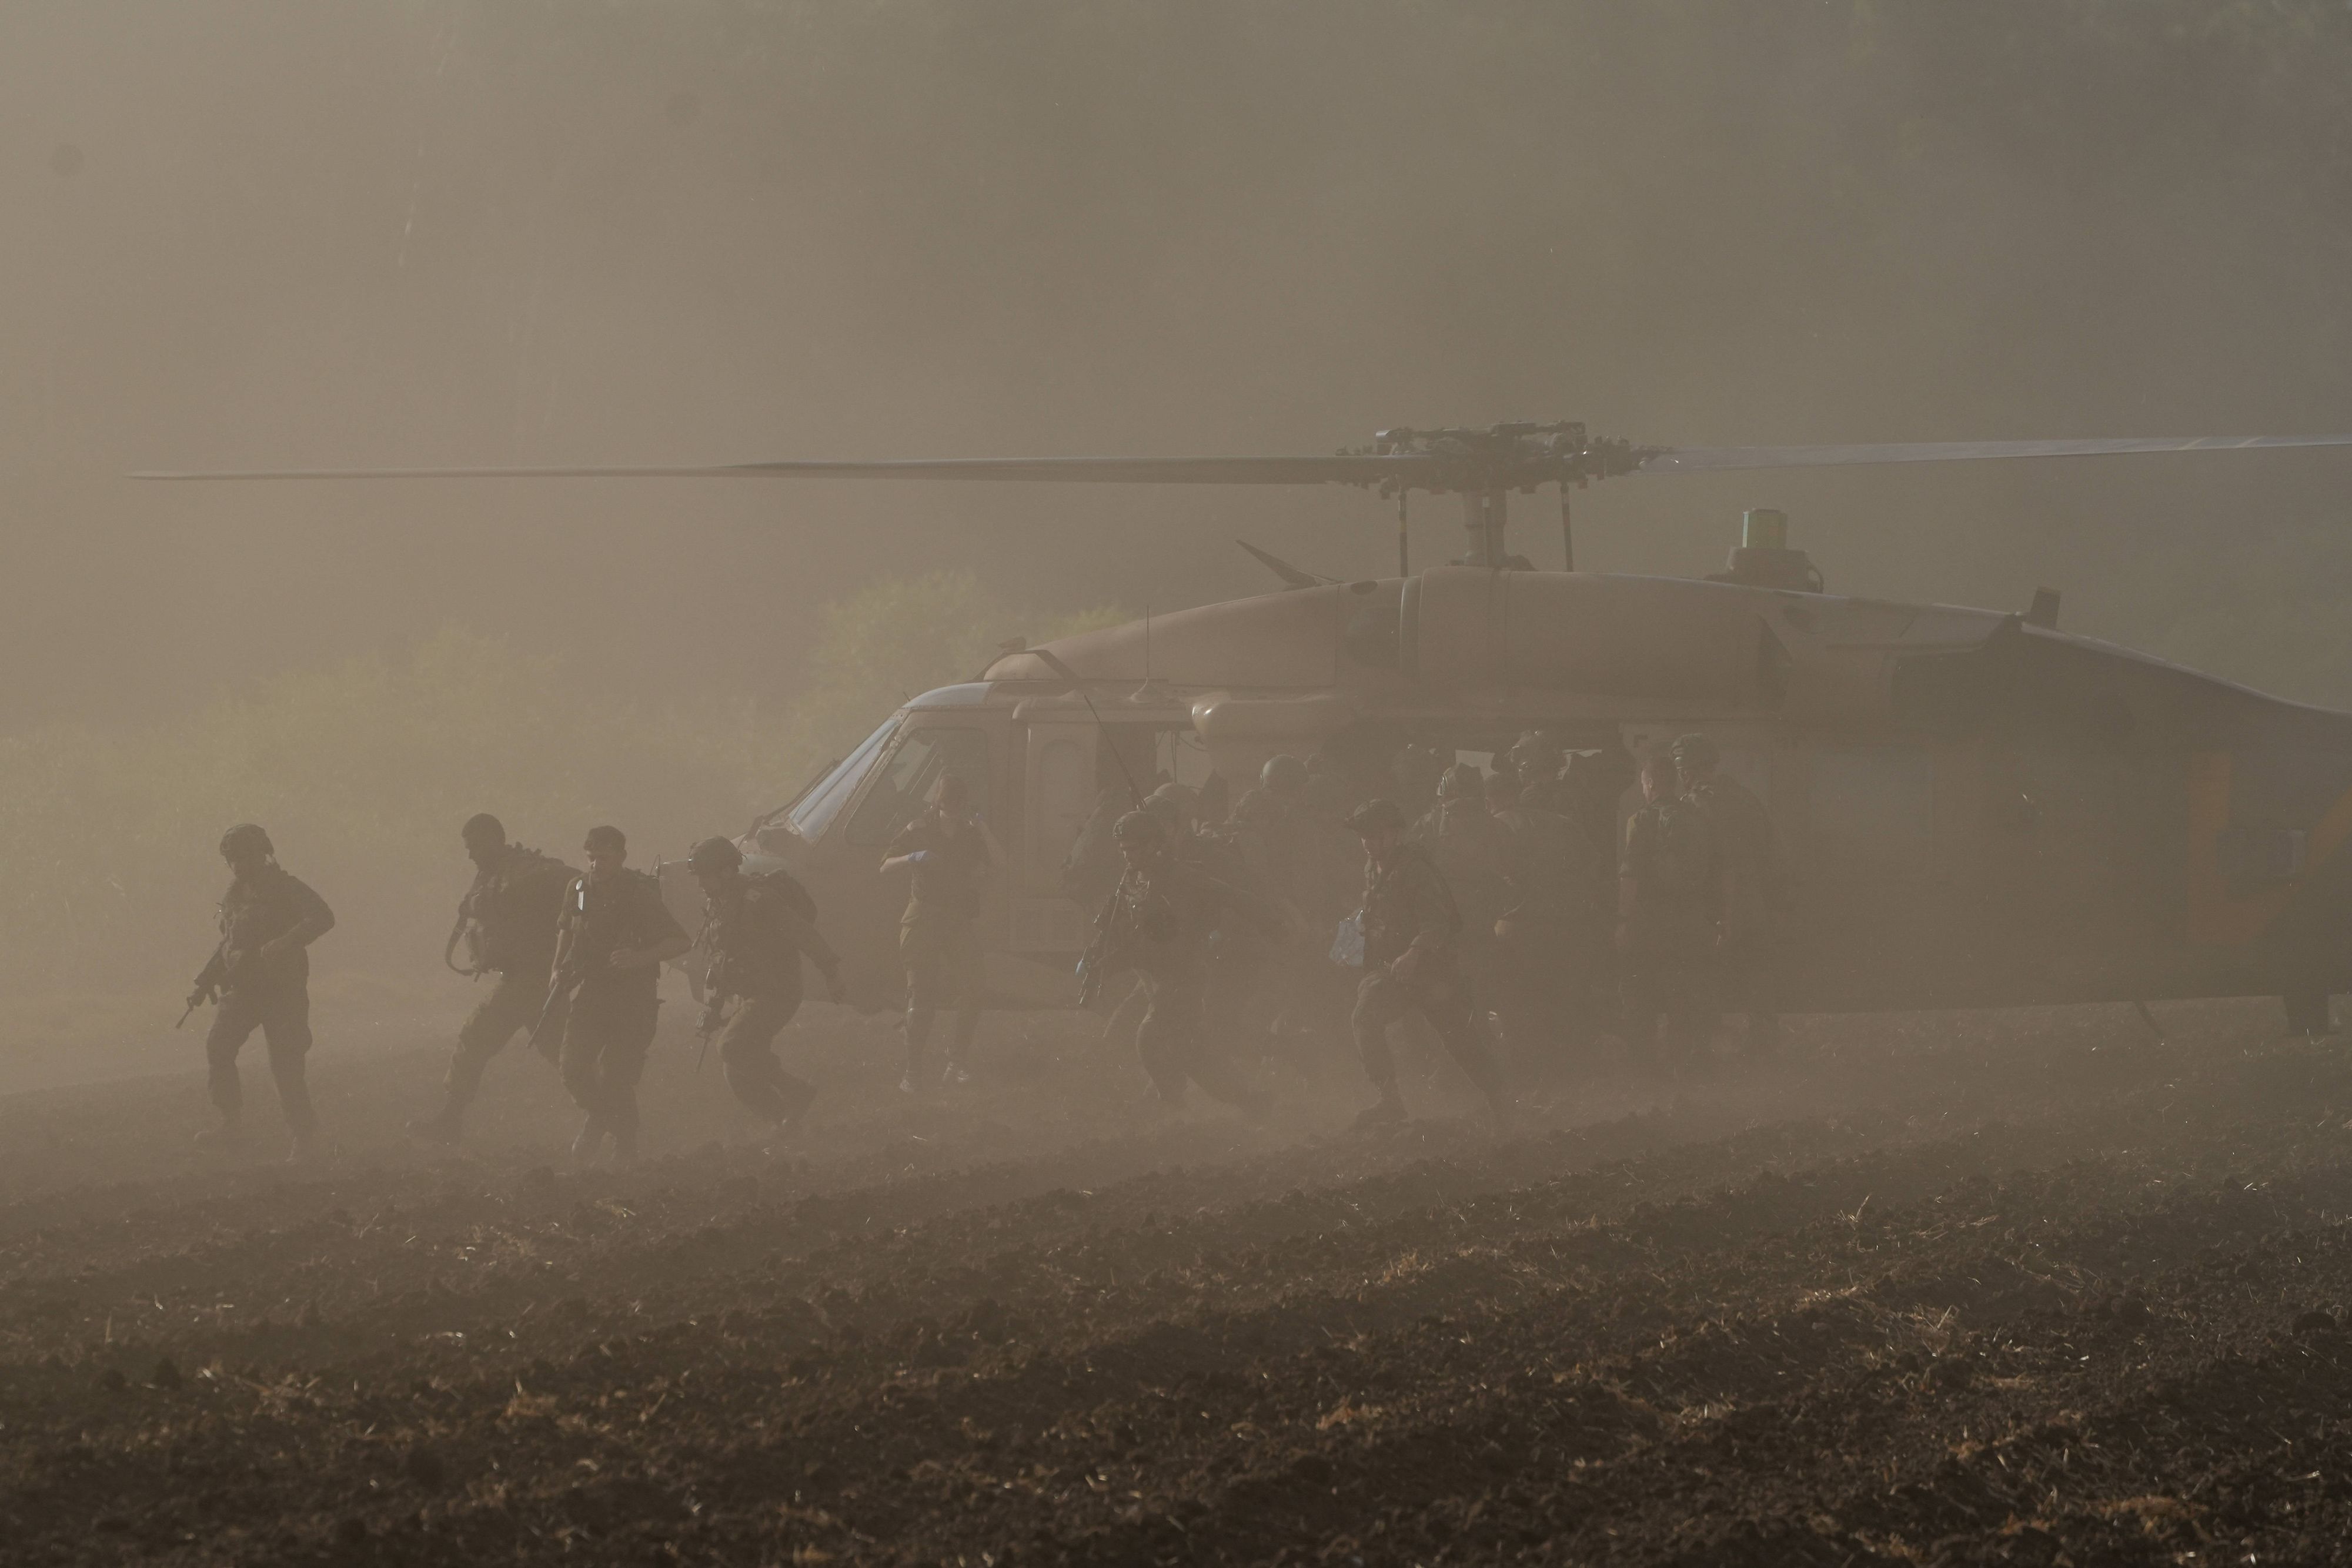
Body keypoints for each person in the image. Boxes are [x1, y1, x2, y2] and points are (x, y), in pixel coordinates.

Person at [1085, 809, 1284, 1113]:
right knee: (1194, 1053)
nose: (1128, 856)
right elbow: (1112, 923)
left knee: (1151, 1039)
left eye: (1134, 849)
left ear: (1153, 845)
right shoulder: (1132, 880)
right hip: (1153, 976)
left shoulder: (1182, 877)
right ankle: (1251, 1101)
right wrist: (1096, 958)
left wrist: (1273, 924)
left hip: (1184, 976)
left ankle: (1171, 1105)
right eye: (1124, 850)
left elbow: (1234, 896)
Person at [1344, 797, 1511, 1128]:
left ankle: (1503, 1103)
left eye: (1375, 835)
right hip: (1394, 972)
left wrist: (1415, 953)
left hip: (1433, 972)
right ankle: (1390, 1100)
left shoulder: (1414, 869)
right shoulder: (1373, 868)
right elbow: (1376, 911)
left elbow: (1438, 922)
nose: (1368, 843)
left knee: (1461, 1040)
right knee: (1365, 1017)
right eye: (1364, 836)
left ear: (1395, 834)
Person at [409, 814, 576, 1145]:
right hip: (525, 979)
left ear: (493, 841)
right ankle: (613, 1113)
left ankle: (450, 1122)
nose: (470, 854)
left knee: (476, 1036)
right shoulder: (490, 875)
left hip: (532, 979)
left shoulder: (526, 870)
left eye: (473, 847)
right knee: (563, 1055)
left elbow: (578, 885)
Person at [186, 824, 335, 1159]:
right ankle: (232, 1124)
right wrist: (206, 980)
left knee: (285, 1064)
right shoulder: (234, 896)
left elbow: (323, 917)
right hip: (244, 989)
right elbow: (229, 942)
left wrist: (285, 942)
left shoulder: (288, 888)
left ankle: (306, 1136)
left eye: (246, 856)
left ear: (264, 854)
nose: (239, 865)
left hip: (283, 991)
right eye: (233, 859)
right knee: (219, 1047)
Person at [687, 835, 846, 1150]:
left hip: (777, 992)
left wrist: (831, 972)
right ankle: (785, 1123)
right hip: (750, 996)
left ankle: (797, 1092)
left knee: (731, 1046)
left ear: (726, 872)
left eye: (705, 876)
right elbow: (723, 958)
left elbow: (804, 933)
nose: (701, 883)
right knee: (738, 1075)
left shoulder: (759, 900)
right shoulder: (719, 906)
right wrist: (714, 1007)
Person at [548, 825, 690, 1165]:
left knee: (617, 1075)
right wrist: (557, 969)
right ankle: (600, 1117)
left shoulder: (639, 894)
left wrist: (638, 958)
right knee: (572, 1068)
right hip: (593, 993)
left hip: (633, 998)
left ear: (622, 858)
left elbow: (681, 942)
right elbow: (567, 929)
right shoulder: (580, 889)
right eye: (592, 858)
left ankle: (626, 1144)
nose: (597, 865)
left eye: (605, 858)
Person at [881, 772, 998, 1092]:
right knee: (921, 1000)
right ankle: (912, 1073)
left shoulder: (971, 834)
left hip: (958, 919)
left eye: (960, 802)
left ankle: (956, 1062)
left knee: (974, 990)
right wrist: (912, 857)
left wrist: (983, 829)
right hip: (923, 918)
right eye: (949, 801)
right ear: (939, 801)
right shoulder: (920, 828)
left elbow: (999, 865)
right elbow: (885, 864)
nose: (955, 807)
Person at [1673, 733, 1783, 1054]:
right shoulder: (1745, 798)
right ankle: (1764, 1047)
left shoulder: (1692, 806)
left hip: (1716, 909)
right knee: (1758, 981)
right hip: (1753, 905)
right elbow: (1771, 852)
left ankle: (1707, 1052)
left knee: (1706, 979)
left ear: (1685, 771)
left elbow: (1692, 864)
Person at [1617, 742, 1723, 1072]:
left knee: (1642, 993)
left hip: (1652, 921)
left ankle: (1645, 1065)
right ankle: (1687, 1061)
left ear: (1648, 785)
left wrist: (1623, 920)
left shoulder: (1641, 820)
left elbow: (1631, 874)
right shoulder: (1699, 817)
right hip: (1692, 919)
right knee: (1686, 993)